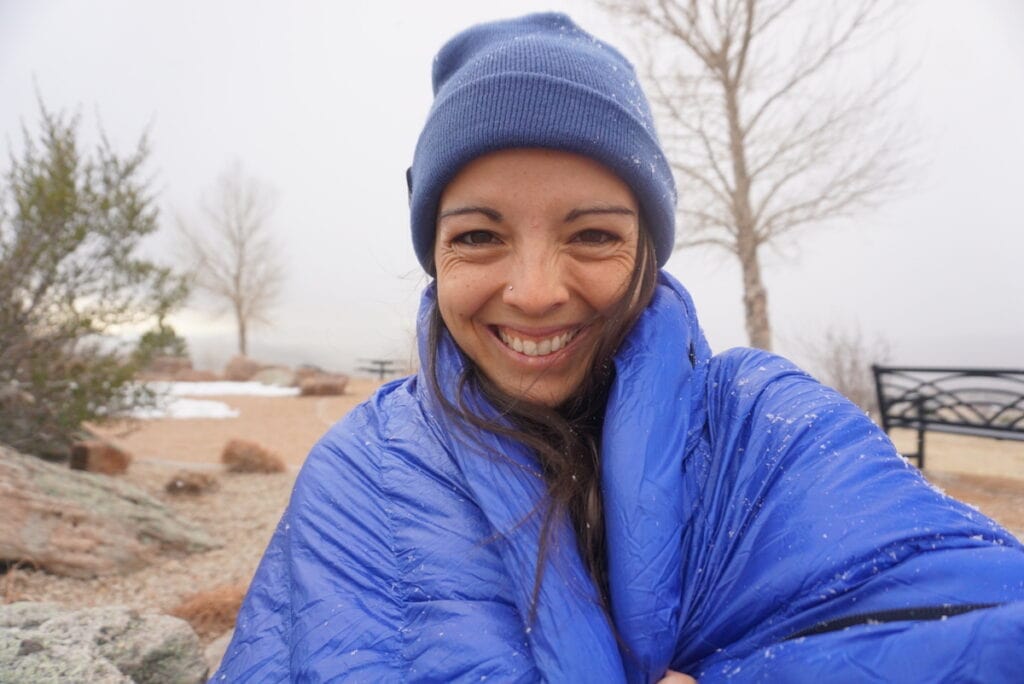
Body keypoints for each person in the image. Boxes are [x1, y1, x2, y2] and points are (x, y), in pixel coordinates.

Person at [213, 13, 1024, 682]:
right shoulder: (361, 478)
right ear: (436, 255)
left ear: (649, 250)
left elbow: (977, 625)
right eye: (480, 236)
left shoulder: (765, 429)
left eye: (593, 233)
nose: (534, 290)